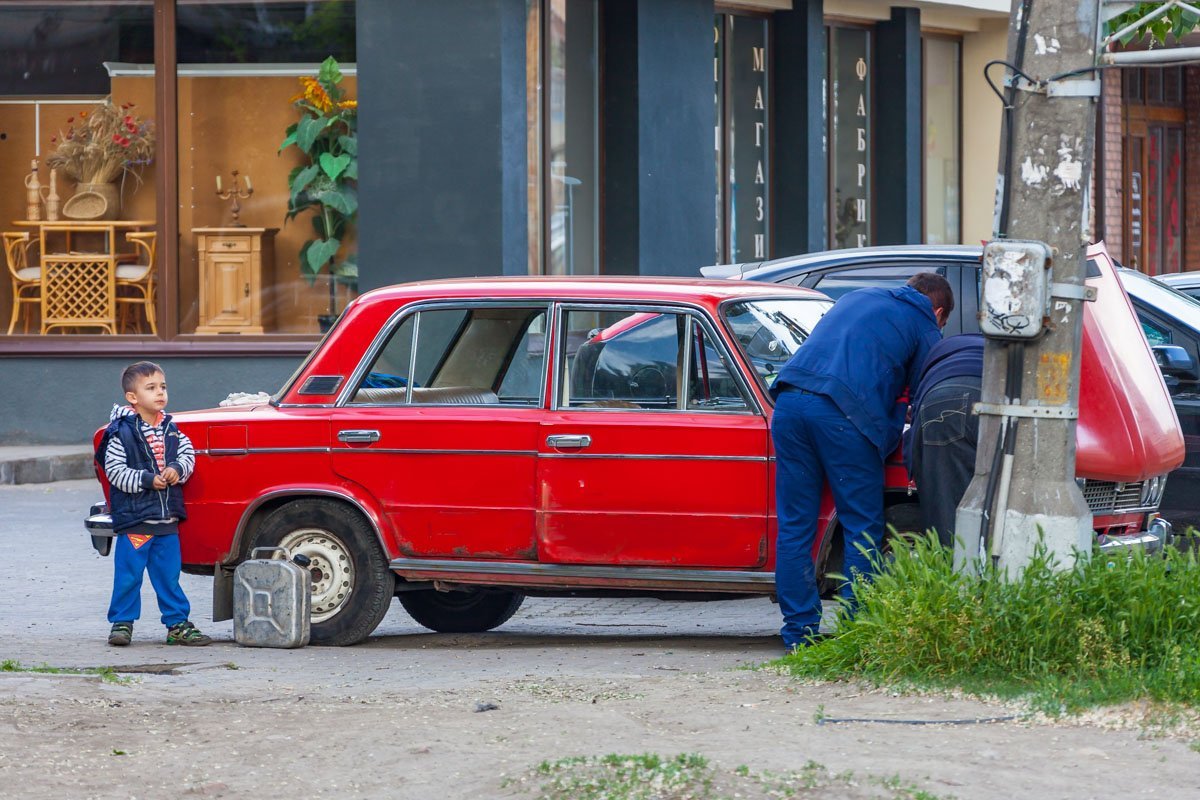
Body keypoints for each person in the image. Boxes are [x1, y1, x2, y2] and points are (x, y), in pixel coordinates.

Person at [770, 274, 952, 652]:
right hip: (841, 417)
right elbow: (926, 398)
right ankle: (855, 634)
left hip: (788, 406)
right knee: (862, 526)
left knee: (795, 527)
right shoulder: (923, 324)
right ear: (938, 311)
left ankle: (798, 636)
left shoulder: (857, 297)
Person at [97, 361, 211, 647]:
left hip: (167, 520)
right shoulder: (120, 433)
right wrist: (147, 479)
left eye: (163, 386)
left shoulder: (171, 429)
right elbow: (115, 472)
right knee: (129, 575)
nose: (160, 393)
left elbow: (188, 456)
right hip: (137, 521)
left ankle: (177, 625)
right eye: (151, 388)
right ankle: (121, 623)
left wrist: (177, 468)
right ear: (132, 398)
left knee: (169, 577)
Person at [904, 334, 985, 549]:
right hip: (997, 397)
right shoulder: (1003, 345)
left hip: (941, 402)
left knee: (946, 515)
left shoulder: (940, 351)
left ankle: (955, 575)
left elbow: (914, 431)